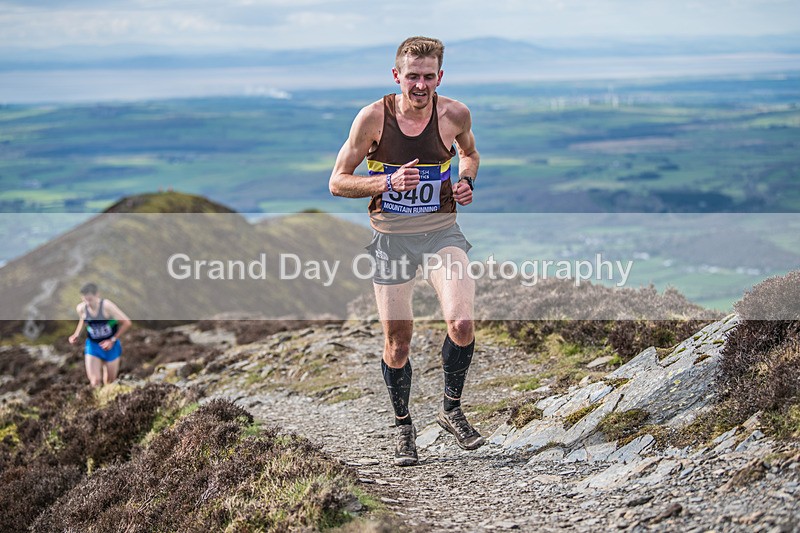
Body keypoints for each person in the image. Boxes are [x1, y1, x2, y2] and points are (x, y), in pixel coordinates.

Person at [330, 36, 484, 466]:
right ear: (396, 75)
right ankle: (404, 427)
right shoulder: (372, 119)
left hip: (441, 233)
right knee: (398, 343)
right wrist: (386, 183)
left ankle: (451, 410)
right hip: (392, 239)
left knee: (462, 321)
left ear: (440, 77)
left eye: (428, 77)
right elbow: (338, 181)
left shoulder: (455, 114)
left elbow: (469, 155)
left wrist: (467, 182)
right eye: (412, 76)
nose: (420, 85)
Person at [68, 282, 132, 387]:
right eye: (85, 299)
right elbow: (83, 320)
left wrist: (112, 340)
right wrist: (76, 334)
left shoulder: (107, 306)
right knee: (95, 381)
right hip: (93, 346)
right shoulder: (81, 308)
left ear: (97, 295)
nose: (88, 302)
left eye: (90, 299)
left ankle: (106, 399)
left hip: (111, 347)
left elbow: (127, 322)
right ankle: (95, 401)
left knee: (110, 381)